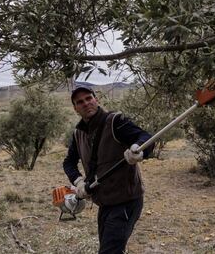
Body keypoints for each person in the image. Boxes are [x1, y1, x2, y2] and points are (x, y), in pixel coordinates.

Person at [63, 84, 154, 254]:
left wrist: (138, 149)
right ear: (76, 109)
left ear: (96, 100)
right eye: (80, 102)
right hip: (104, 203)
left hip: (126, 201)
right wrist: (79, 182)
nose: (86, 103)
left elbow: (146, 137)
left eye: (89, 98)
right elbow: (68, 162)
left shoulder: (115, 122)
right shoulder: (78, 133)